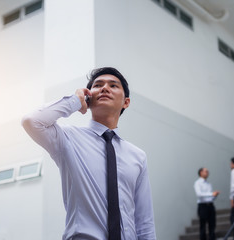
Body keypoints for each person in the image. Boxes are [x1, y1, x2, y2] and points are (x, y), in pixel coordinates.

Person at [22, 67, 156, 240]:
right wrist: (74, 101)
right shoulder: (67, 139)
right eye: (98, 85)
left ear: (126, 102)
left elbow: (144, 220)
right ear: (88, 96)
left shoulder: (138, 156)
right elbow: (31, 121)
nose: (104, 88)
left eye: (113, 85)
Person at [194, 167, 220, 240]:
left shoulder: (209, 184)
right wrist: (211, 194)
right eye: (205, 171)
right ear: (201, 173)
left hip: (210, 205)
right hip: (203, 206)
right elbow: (199, 194)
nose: (207, 173)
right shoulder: (197, 183)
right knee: (203, 225)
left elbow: (210, 197)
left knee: (212, 225)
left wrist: (214, 195)